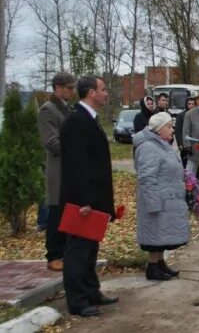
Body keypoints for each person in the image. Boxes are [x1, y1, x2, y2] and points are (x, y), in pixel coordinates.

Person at [59, 76, 118, 317]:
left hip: (94, 198)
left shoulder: (89, 119)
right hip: (83, 201)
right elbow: (75, 165)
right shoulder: (76, 121)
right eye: (103, 89)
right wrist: (82, 200)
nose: (106, 93)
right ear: (91, 92)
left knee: (91, 249)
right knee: (78, 252)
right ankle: (77, 300)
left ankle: (91, 291)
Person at [134, 113, 189, 281]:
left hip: (167, 199)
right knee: (155, 235)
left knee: (161, 235)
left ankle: (159, 263)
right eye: (169, 126)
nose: (172, 130)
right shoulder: (149, 147)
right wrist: (153, 203)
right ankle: (152, 267)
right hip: (157, 200)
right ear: (158, 130)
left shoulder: (161, 144)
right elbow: (146, 177)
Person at [38, 71, 75, 272]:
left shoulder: (66, 109)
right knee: (56, 212)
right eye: (69, 88)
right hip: (58, 169)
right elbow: (51, 142)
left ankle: (64, 251)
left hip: (69, 170)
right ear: (58, 88)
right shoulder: (48, 110)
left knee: (66, 211)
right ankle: (53, 254)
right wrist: (75, 146)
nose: (72, 92)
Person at [174, 97, 196, 168]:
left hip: (195, 144)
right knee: (184, 163)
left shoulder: (197, 114)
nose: (191, 105)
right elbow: (178, 131)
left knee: (196, 163)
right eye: (189, 104)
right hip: (184, 144)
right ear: (186, 105)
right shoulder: (181, 115)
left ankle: (197, 178)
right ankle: (184, 178)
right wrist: (180, 143)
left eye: (193, 104)